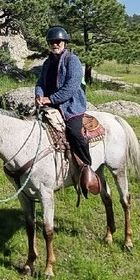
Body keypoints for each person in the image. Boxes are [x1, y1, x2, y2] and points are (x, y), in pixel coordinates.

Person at [35, 26, 101, 196]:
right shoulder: (47, 62)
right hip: (50, 106)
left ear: (64, 42)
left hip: (71, 106)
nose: (54, 44)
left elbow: (71, 87)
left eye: (57, 41)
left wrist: (50, 99)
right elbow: (40, 83)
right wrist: (39, 95)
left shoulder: (73, 61)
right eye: (51, 42)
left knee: (74, 132)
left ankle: (87, 167)